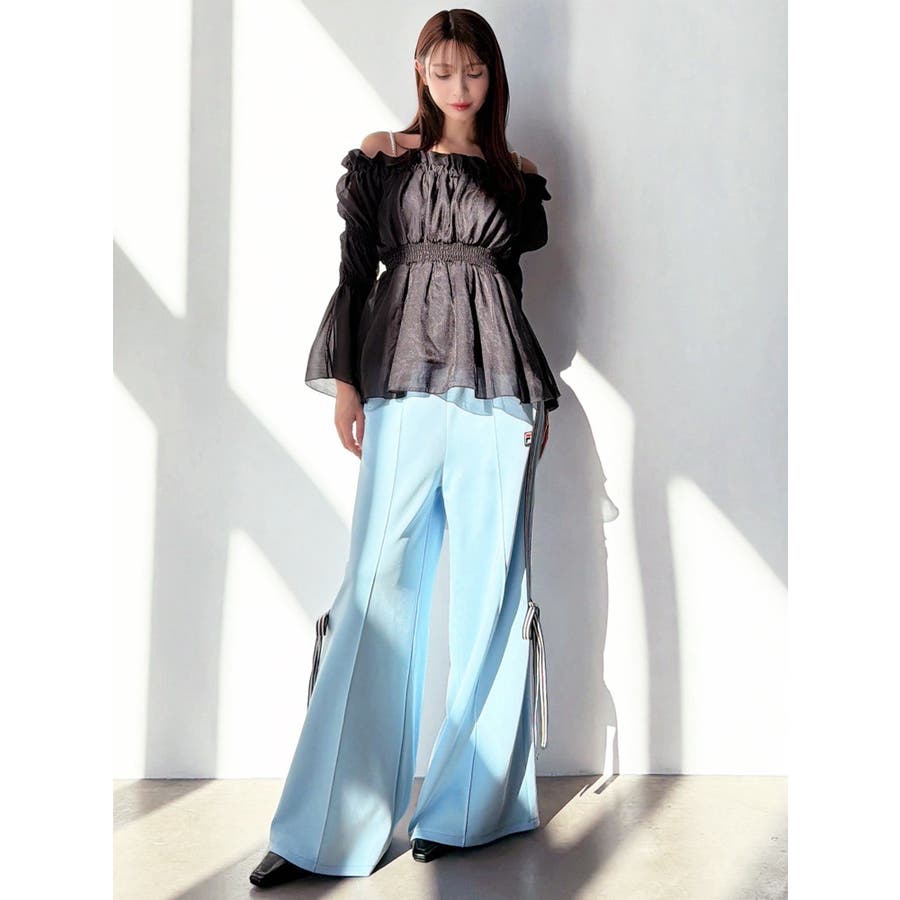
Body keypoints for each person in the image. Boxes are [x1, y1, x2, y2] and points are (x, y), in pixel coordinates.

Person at [250, 9, 564, 886]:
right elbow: (356, 272)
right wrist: (348, 384)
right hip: (400, 379)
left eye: (474, 71)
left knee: (492, 592)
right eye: (442, 70)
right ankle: (322, 827)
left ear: (493, 77)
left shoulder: (518, 176)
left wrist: (531, 398)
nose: (459, 87)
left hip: (500, 392)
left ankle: (469, 809)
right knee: (374, 594)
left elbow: (506, 287)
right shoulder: (383, 159)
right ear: (420, 73)